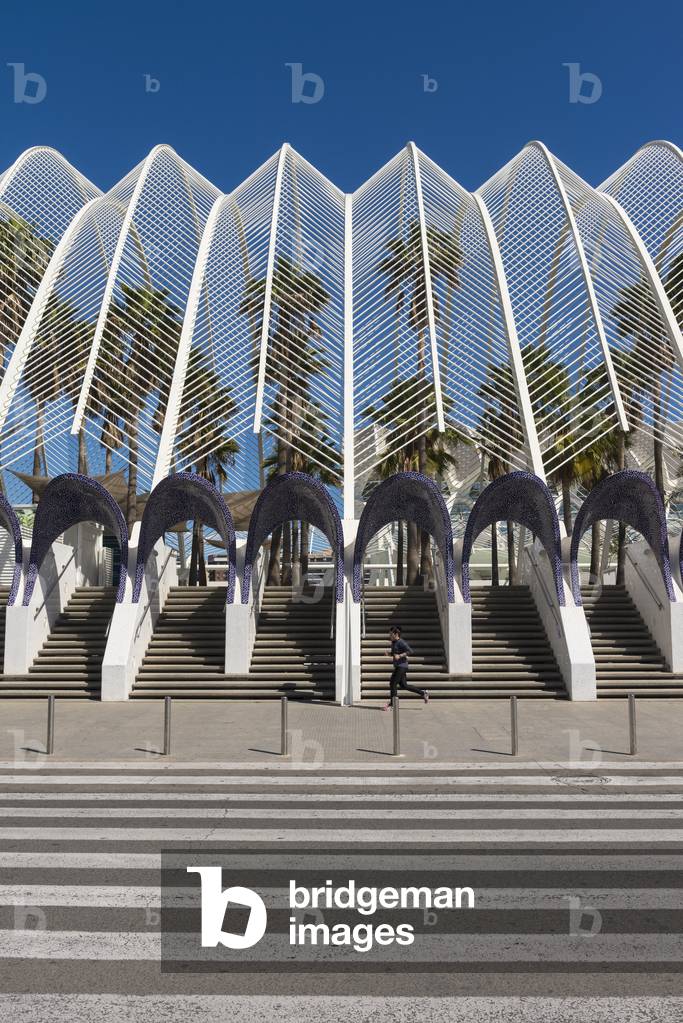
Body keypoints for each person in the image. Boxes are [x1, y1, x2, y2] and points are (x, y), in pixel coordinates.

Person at [383, 625, 429, 710]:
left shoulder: (401, 642)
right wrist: (389, 654)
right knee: (404, 685)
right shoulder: (393, 643)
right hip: (398, 666)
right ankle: (423, 693)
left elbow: (410, 651)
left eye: (391, 634)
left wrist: (400, 656)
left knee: (393, 683)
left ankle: (393, 704)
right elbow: (395, 654)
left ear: (396, 634)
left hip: (402, 666)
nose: (389, 636)